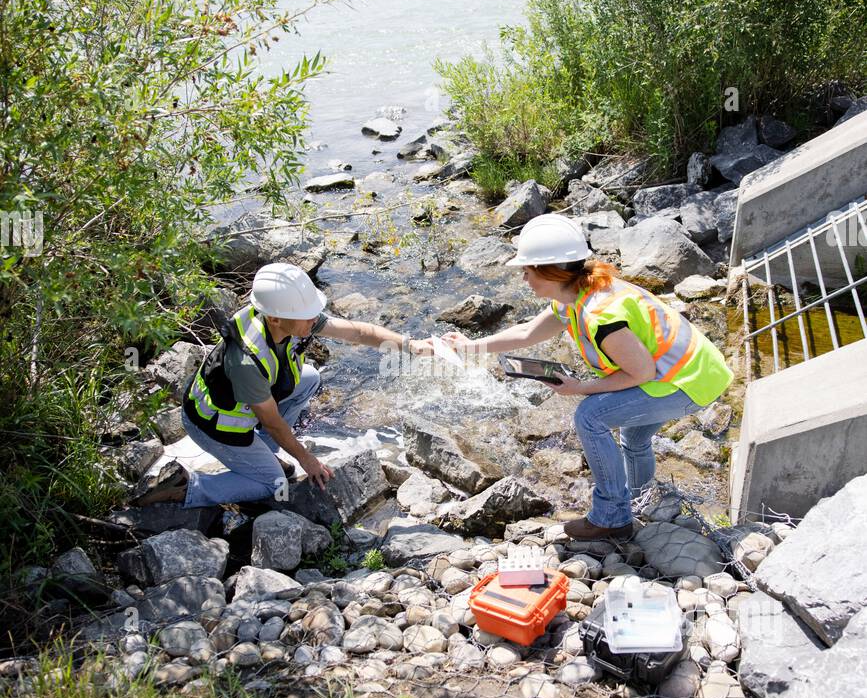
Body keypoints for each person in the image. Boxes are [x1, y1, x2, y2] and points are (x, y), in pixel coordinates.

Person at [441, 213, 734, 541]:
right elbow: (527, 332)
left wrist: (580, 387)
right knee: (634, 438)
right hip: (698, 370)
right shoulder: (576, 294)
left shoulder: (600, 314)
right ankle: (640, 499)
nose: (524, 280)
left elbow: (640, 372)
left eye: (527, 272)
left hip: (688, 384)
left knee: (590, 416)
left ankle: (611, 517)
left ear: (550, 272)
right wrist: (472, 346)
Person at [135, 262, 429, 507]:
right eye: (306, 317)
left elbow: (358, 333)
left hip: (241, 409)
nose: (313, 320)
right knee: (274, 483)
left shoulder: (291, 318)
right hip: (213, 427)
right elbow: (274, 423)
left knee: (310, 378)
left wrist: (410, 345)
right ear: (275, 318)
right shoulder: (247, 362)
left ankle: (261, 455)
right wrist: (307, 459)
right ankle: (188, 488)